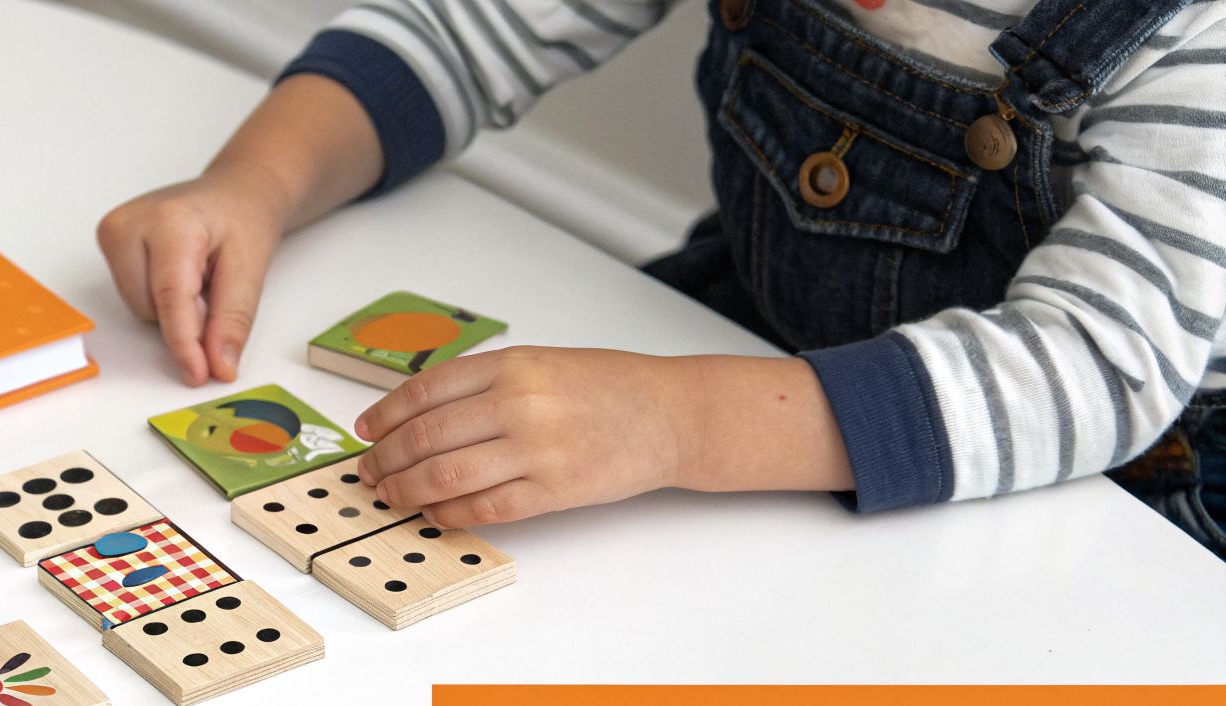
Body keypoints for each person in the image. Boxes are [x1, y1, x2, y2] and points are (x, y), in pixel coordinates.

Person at [96, 0, 1226, 556]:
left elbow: (1097, 367)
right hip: (755, 323)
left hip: (1111, 487)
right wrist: (255, 180)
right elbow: (472, 25)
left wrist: (674, 422)